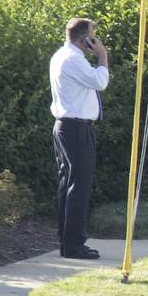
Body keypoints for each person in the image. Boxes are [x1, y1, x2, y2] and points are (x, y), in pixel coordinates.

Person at [49, 17, 110, 260]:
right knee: (78, 187)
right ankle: (73, 244)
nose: (95, 42)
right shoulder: (74, 59)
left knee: (68, 184)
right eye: (93, 37)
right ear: (84, 38)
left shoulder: (61, 56)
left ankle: (67, 241)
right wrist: (102, 56)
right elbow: (100, 82)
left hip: (67, 127)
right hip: (76, 128)